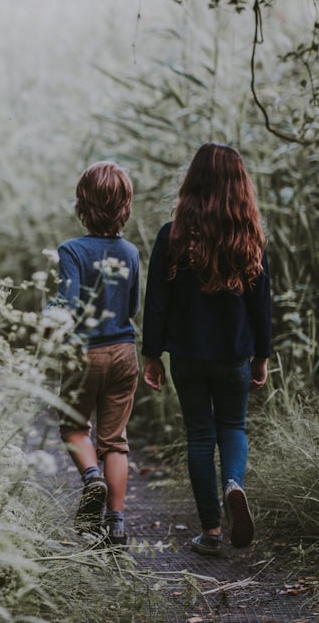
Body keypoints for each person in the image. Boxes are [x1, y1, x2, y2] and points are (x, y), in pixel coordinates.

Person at [142, 142, 271, 556]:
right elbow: (261, 303)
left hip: (187, 355)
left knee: (199, 435)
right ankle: (234, 483)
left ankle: (212, 532)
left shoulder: (173, 235)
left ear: (191, 183)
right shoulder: (248, 237)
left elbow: (156, 300)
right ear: (239, 187)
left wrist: (152, 354)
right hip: (233, 354)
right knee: (232, 427)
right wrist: (262, 355)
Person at [51, 161, 140, 546]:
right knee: (115, 440)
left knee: (73, 426)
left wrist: (46, 316)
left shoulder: (71, 250)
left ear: (82, 205)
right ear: (125, 206)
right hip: (123, 352)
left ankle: (92, 479)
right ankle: (117, 524)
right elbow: (133, 306)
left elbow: (67, 305)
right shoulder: (132, 252)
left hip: (83, 353)